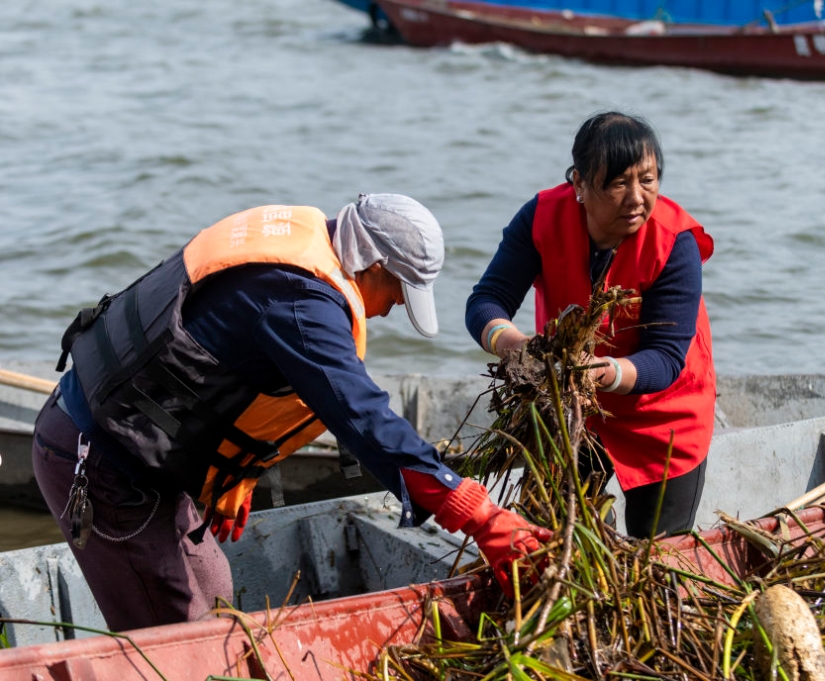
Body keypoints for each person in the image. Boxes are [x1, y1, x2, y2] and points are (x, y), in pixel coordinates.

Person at [32, 194, 551, 632]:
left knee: (214, 587)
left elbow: (226, 354)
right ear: (371, 265)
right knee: (176, 635)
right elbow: (363, 418)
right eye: (397, 292)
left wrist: (239, 467)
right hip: (100, 462)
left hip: (135, 444)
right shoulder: (301, 302)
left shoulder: (299, 247)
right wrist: (479, 514)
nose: (393, 308)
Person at [465, 112, 716, 539]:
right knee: (551, 537)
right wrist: (518, 348)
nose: (636, 198)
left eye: (649, 180)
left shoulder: (675, 241)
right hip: (573, 411)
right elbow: (486, 302)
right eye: (618, 183)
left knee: (655, 557)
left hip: (665, 414)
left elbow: (667, 358)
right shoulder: (542, 217)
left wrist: (600, 372)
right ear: (579, 183)